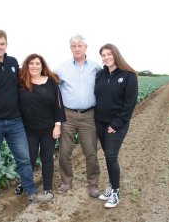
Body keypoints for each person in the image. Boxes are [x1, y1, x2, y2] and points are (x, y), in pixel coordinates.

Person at [0, 29, 53, 205]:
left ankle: (32, 193)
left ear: (6, 45)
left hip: (16, 121)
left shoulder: (13, 62)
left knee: (24, 159)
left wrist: (49, 82)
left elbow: (25, 81)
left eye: (2, 44)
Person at [54, 34, 101, 197]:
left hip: (89, 115)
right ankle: (66, 181)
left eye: (80, 45)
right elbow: (47, 82)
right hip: (67, 114)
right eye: (74, 46)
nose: (77, 49)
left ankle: (93, 183)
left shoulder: (95, 67)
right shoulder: (62, 68)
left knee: (91, 151)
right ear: (70, 48)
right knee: (65, 151)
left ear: (86, 47)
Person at [15, 54, 66, 198]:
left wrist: (57, 126)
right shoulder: (21, 83)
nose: (34, 66)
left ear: (42, 66)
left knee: (47, 158)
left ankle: (48, 188)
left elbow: (58, 105)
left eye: (37, 63)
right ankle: (24, 184)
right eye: (31, 63)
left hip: (48, 129)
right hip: (28, 129)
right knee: (28, 159)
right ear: (27, 65)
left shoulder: (50, 82)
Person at [95, 43, 138, 208]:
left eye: (109, 54)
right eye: (103, 55)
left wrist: (117, 123)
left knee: (111, 156)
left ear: (116, 55)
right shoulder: (100, 74)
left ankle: (116, 192)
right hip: (100, 122)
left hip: (116, 123)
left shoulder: (129, 75)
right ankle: (112, 185)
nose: (106, 58)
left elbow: (130, 104)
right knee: (108, 155)